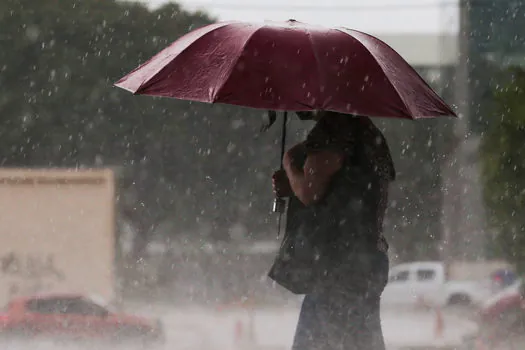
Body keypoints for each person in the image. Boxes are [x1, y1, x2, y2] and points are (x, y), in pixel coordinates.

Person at [269, 110, 395, 350]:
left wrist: (289, 165)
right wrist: (294, 184)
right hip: (367, 259)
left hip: (337, 265)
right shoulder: (367, 133)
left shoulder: (334, 129)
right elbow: (344, 191)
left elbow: (310, 191)